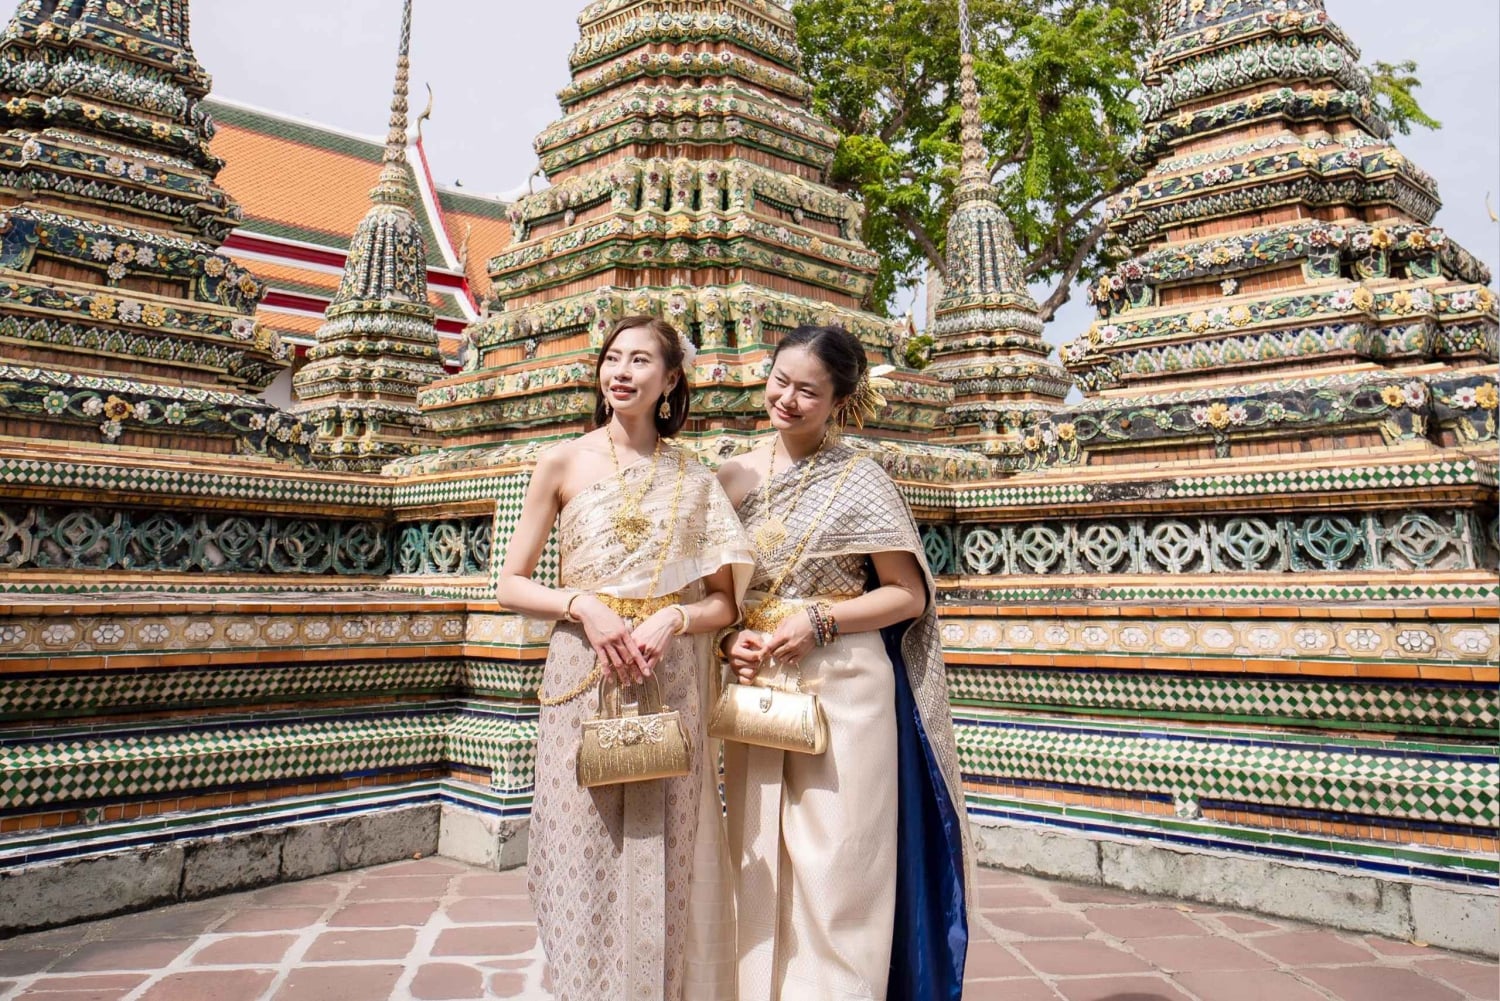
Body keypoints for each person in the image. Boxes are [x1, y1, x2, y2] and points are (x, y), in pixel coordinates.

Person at [496, 316, 753, 1001]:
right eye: (613, 357)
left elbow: (725, 604)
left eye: (640, 360)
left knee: (666, 847)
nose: (621, 372)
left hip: (668, 674)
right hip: (584, 671)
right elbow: (511, 584)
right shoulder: (562, 462)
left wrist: (674, 616)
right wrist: (582, 604)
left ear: (671, 380)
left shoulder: (694, 477)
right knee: (579, 844)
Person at [716, 324, 972, 1001]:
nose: (788, 399)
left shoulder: (862, 480)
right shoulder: (732, 475)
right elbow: (713, 593)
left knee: (838, 860)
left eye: (808, 390)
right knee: (755, 854)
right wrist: (727, 640)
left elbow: (907, 594)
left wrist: (820, 619)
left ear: (839, 400)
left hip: (844, 684)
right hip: (760, 681)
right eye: (780, 381)